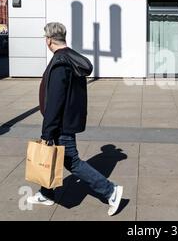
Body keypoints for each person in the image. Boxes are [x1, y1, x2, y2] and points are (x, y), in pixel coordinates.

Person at [27, 22, 124, 217]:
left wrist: (47, 132)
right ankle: (46, 193)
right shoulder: (71, 58)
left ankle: (110, 191)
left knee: (72, 161)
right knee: (54, 156)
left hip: (61, 122)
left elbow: (55, 101)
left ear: (48, 40)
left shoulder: (60, 62)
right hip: (68, 119)